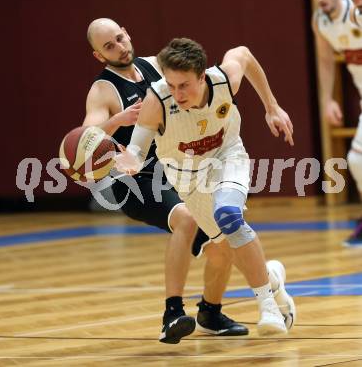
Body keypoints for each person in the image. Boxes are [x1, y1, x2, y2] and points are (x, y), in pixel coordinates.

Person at [84, 18, 251, 344]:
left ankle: (211, 312)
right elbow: (86, 136)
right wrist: (120, 119)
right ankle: (172, 312)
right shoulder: (102, 90)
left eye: (120, 38)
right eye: (109, 46)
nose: (120, 47)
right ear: (98, 56)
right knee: (186, 220)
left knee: (224, 238)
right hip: (133, 180)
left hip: (175, 171)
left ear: (127, 33)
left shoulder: (156, 67)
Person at [114, 37, 296, 335]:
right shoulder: (157, 100)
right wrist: (129, 161)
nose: (176, 93)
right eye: (170, 85)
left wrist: (272, 106)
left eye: (183, 85)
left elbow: (244, 53)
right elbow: (136, 149)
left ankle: (268, 306)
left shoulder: (223, 80)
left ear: (202, 75)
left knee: (230, 217)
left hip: (227, 156)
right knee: (226, 245)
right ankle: (273, 279)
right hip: (187, 178)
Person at [308, 0, 362, 247]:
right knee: (357, 161)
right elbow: (326, 61)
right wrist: (328, 99)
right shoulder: (321, 22)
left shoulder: (357, 12)